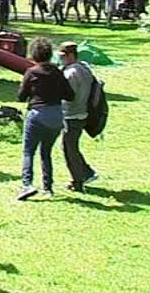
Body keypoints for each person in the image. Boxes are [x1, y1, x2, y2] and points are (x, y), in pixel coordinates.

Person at [16, 37, 73, 201]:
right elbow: (70, 95)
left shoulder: (31, 72)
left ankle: (26, 184)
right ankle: (48, 187)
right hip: (56, 115)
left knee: (28, 151)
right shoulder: (58, 72)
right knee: (46, 152)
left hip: (37, 113)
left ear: (33, 55)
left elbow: (21, 96)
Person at [58, 41, 98, 192]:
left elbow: (68, 95)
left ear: (71, 55)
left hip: (72, 114)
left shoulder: (70, 73)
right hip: (82, 113)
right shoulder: (85, 69)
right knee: (71, 146)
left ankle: (78, 181)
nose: (61, 59)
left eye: (63, 56)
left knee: (69, 149)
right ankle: (86, 172)